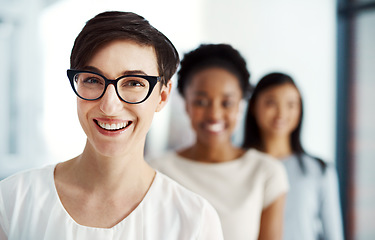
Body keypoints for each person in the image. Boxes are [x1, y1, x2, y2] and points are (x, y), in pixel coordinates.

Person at [0, 11, 224, 240]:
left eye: (134, 83)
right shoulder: (12, 201)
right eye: (93, 80)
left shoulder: (194, 220)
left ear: (162, 96)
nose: (109, 106)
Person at [149, 44, 289, 240]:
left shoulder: (266, 173)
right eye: (201, 102)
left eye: (226, 103)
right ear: (186, 103)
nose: (214, 114)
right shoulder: (155, 171)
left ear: (241, 104)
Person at [243, 72, 344, 240]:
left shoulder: (319, 170)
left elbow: (333, 234)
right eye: (271, 102)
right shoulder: (237, 164)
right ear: (253, 106)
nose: (281, 112)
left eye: (291, 104)